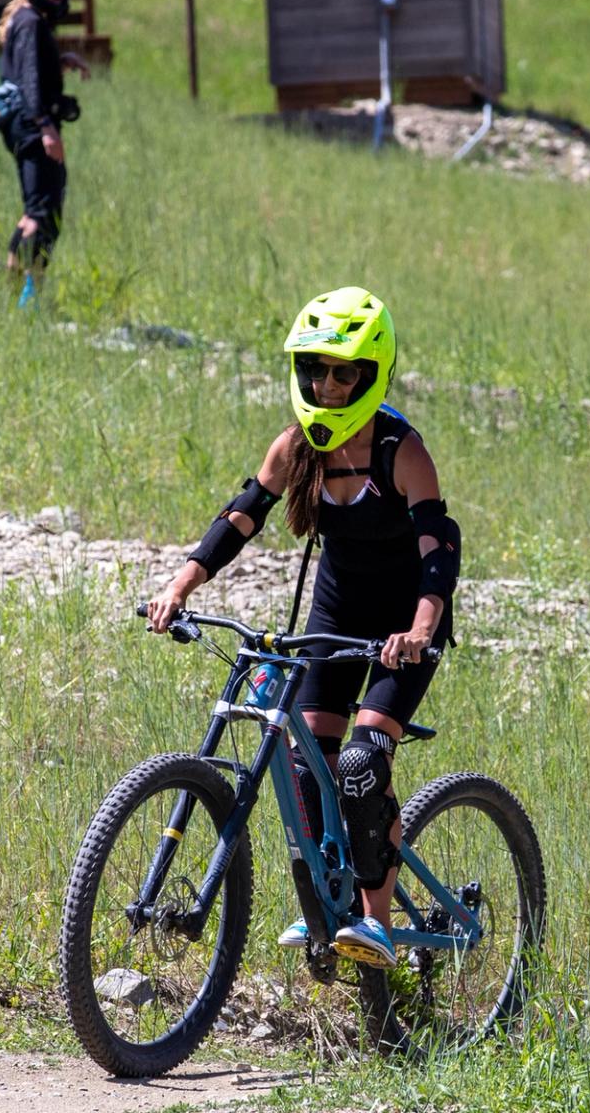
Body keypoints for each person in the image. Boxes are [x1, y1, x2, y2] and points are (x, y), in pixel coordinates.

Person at [146, 287, 461, 969]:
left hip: (407, 623)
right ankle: (327, 904)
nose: (326, 383)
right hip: (338, 616)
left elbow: (440, 550)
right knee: (303, 757)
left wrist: (422, 627)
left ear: (371, 374)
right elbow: (240, 517)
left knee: (359, 766)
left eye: (343, 371)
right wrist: (180, 584)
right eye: (315, 368)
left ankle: (375, 926)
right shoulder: (295, 447)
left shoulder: (399, 450)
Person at [0, 0, 91, 306]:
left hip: (28, 124)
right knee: (42, 215)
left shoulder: (29, 20)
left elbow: (29, 68)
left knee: (36, 209)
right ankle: (25, 296)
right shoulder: (31, 22)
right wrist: (46, 128)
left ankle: (20, 293)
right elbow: (30, 82)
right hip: (33, 127)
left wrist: (60, 59)